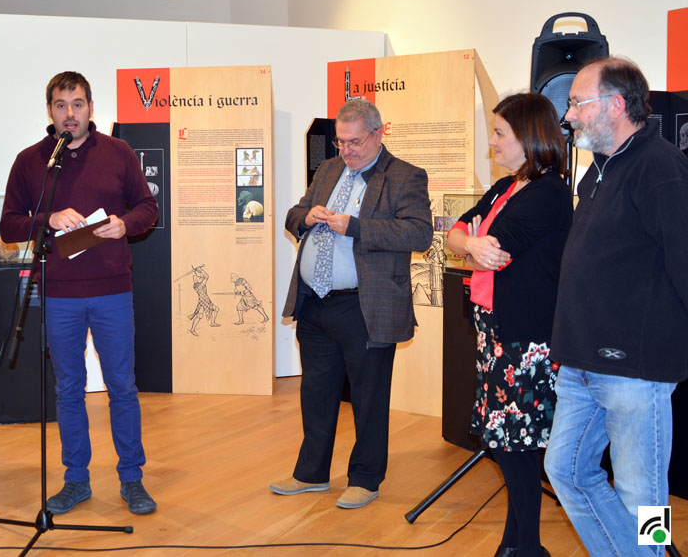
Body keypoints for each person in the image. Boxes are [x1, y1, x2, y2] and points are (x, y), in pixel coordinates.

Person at [544, 57, 688, 556]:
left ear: (617, 105)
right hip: (582, 361)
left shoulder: (660, 166)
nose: (569, 116)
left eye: (578, 103)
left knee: (644, 500)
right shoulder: (600, 170)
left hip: (635, 369)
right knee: (565, 470)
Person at [0, 71, 159, 515]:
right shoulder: (32, 161)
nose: (70, 113)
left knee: (121, 387)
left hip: (112, 291)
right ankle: (76, 481)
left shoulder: (119, 152)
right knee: (69, 389)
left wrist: (125, 224)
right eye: (60, 105)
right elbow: (9, 225)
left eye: (78, 104)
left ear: (92, 107)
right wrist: (47, 218)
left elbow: (149, 207)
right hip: (60, 294)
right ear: (49, 110)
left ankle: (132, 479)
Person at [273, 99, 432, 509]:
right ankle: (311, 474)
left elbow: (418, 234)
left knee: (368, 396)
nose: (347, 150)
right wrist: (306, 219)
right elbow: (295, 212)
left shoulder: (404, 176)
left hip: (365, 306)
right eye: (341, 142)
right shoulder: (328, 170)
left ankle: (365, 478)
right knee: (316, 392)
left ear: (379, 133)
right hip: (316, 302)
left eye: (355, 142)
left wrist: (355, 227)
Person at [446, 93, 572, 557]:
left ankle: (528, 547)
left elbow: (497, 248)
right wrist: (469, 242)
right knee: (506, 444)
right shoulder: (506, 188)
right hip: (496, 337)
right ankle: (514, 544)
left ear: (529, 137)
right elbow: (454, 229)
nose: (492, 143)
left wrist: (475, 243)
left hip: (526, 341)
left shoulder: (549, 193)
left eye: (500, 133)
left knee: (516, 449)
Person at [188, 264, 220, 335]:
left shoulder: (199, 281)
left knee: (216, 309)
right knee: (200, 315)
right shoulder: (198, 285)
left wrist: (198, 270)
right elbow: (206, 276)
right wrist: (201, 270)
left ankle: (213, 322)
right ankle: (192, 329)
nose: (199, 278)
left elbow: (204, 277)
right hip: (203, 301)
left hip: (206, 299)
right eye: (198, 278)